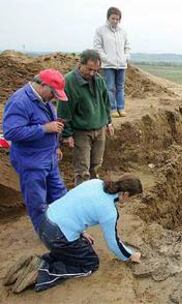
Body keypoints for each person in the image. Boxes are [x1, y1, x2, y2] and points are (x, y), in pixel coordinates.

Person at [3, 174, 143, 293]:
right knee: (90, 264)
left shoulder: (95, 182)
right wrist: (130, 255)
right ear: (125, 194)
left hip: (44, 221)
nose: (131, 201)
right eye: (133, 198)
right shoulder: (110, 212)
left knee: (75, 249)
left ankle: (35, 262)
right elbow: (113, 242)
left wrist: (81, 232)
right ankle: (41, 272)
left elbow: (74, 203)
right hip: (57, 236)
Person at [2, 69, 68, 231]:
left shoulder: (44, 100)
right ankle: (46, 234)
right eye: (53, 93)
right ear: (42, 85)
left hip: (49, 158)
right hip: (31, 162)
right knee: (37, 202)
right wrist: (44, 128)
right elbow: (11, 132)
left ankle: (65, 226)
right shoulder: (20, 102)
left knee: (60, 195)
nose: (54, 97)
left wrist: (56, 146)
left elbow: (52, 125)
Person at [58, 49, 114, 186]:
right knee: (82, 170)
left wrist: (109, 122)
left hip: (99, 129)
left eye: (96, 70)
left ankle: (93, 194)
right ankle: (81, 199)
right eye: (89, 69)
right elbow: (64, 111)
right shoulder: (69, 82)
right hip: (81, 132)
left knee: (95, 165)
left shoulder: (99, 80)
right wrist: (67, 134)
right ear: (80, 64)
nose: (92, 73)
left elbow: (105, 102)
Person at [94, 6, 131, 118]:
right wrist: (106, 58)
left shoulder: (123, 32)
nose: (115, 21)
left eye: (117, 19)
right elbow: (97, 47)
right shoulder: (100, 30)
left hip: (121, 65)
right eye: (113, 18)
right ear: (108, 18)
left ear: (120, 19)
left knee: (120, 87)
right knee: (109, 87)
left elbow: (127, 47)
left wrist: (125, 57)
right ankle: (112, 108)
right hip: (108, 64)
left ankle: (121, 107)